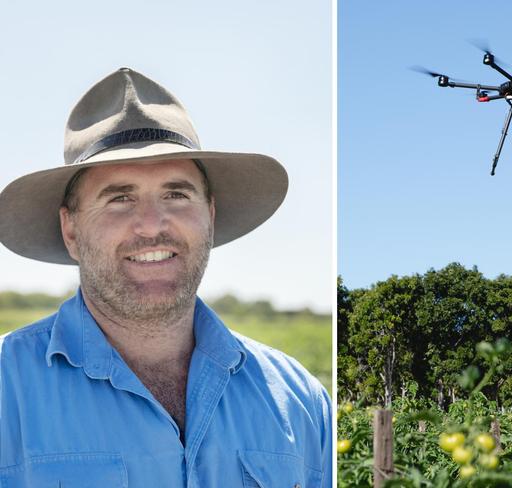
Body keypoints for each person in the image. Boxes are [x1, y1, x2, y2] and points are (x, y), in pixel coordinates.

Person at [0, 68, 331, 487]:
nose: (152, 225)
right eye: (120, 198)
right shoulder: (5, 388)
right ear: (71, 230)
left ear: (208, 215)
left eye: (176, 194)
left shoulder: (303, 401)